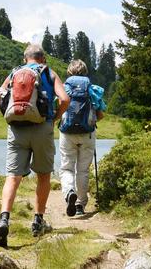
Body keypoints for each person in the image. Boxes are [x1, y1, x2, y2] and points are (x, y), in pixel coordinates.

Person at [0, 44, 69, 248]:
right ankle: (37, 221)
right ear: (42, 59)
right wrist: (54, 118)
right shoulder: (49, 73)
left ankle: (4, 219)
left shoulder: (15, 72)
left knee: (12, 176)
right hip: (43, 127)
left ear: (25, 58)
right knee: (43, 175)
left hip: (16, 129)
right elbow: (65, 99)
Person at [58, 59, 105, 217]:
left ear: (69, 72)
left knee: (66, 168)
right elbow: (101, 114)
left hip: (66, 134)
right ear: (85, 72)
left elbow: (55, 106)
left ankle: (69, 192)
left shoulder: (64, 88)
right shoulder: (92, 89)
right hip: (87, 134)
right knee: (83, 170)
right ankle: (80, 205)